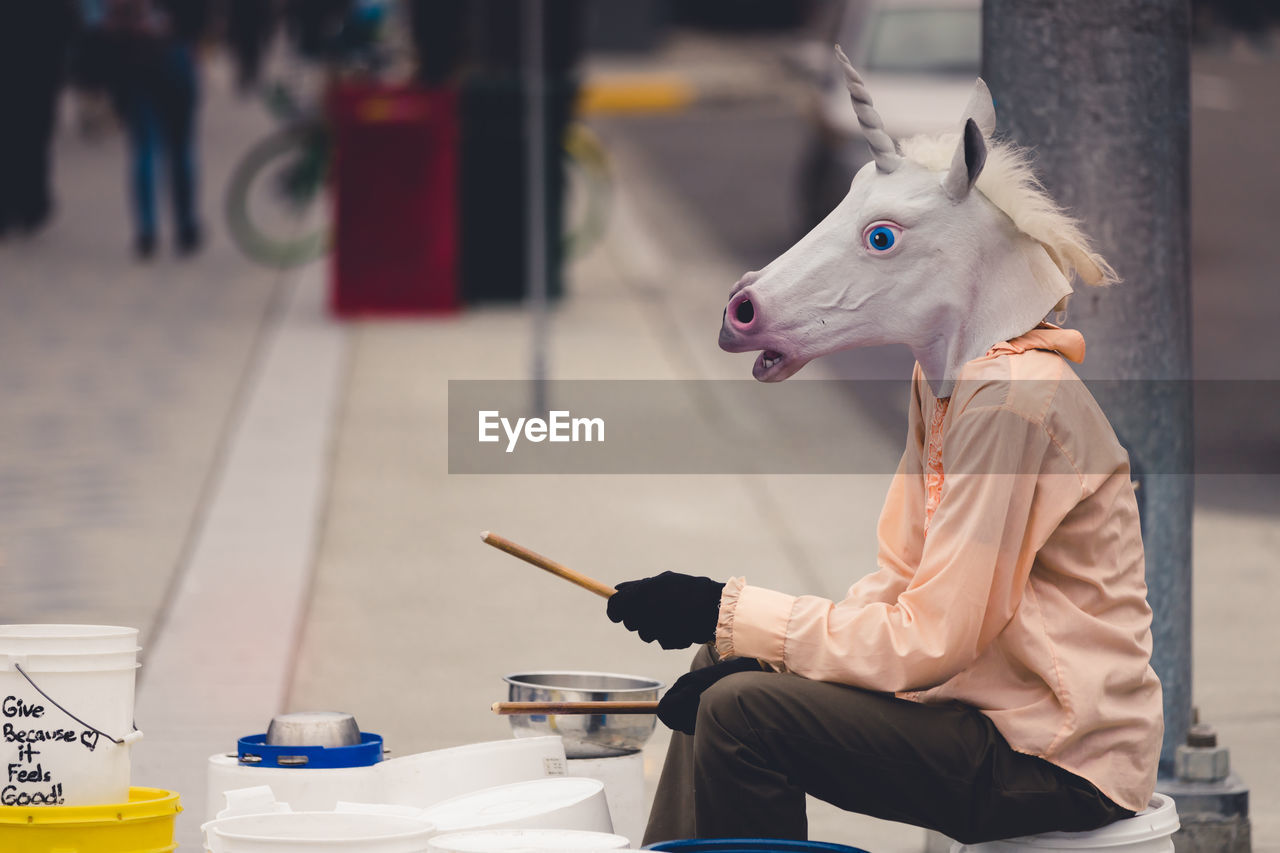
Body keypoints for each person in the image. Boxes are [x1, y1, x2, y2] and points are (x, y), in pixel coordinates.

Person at [607, 56, 1163, 847]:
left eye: (881, 239)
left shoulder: (1015, 400)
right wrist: (742, 632)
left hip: (1051, 757)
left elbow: (932, 639)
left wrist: (729, 602)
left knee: (741, 710)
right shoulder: (947, 383)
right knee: (723, 664)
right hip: (976, 714)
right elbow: (901, 586)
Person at [102, 0, 208, 258]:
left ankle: (146, 230)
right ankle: (185, 227)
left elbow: (112, 20)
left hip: (139, 60)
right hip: (176, 55)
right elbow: (200, 15)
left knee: (144, 148)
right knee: (181, 147)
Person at [0, 1, 77, 236]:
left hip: (10, 73)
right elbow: (69, 25)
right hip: (41, 72)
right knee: (34, 140)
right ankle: (31, 204)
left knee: (8, 138)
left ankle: (9, 207)